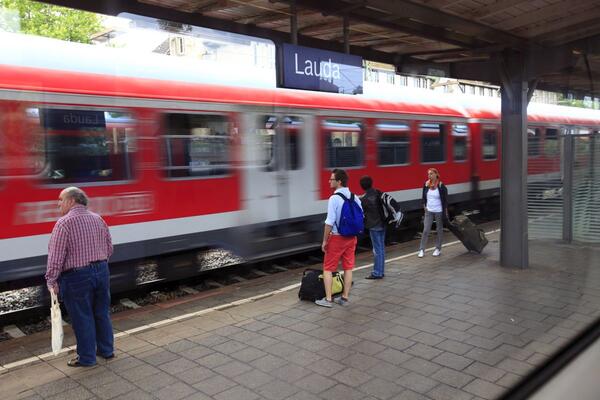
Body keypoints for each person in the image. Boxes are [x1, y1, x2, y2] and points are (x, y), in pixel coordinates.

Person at [45, 187, 114, 367]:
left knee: (82, 317)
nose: (58, 203)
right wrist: (98, 264)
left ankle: (87, 358)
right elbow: (109, 248)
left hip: (77, 277)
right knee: (101, 313)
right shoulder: (98, 219)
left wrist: (51, 280)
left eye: (60, 199)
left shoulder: (63, 223)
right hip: (102, 270)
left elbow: (56, 256)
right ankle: (107, 351)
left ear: (71, 201)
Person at [316, 169, 362, 307]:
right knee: (348, 267)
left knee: (328, 268)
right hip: (351, 237)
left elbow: (329, 222)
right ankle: (345, 298)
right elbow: (361, 216)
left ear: (339, 181)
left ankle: (328, 299)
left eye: (331, 179)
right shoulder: (355, 197)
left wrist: (324, 240)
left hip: (337, 238)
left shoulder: (334, 198)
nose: (329, 181)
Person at [359, 175, 386, 279]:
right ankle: (381, 271)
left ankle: (377, 273)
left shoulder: (364, 199)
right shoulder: (378, 193)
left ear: (362, 186)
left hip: (373, 226)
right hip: (382, 224)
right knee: (381, 248)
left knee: (377, 250)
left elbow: (362, 212)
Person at [418, 168, 448, 258]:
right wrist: (424, 206)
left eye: (431, 174)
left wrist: (445, 211)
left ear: (436, 174)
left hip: (439, 211)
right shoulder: (426, 184)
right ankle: (421, 249)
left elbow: (445, 200)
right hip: (429, 211)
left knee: (439, 230)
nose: (429, 176)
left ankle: (438, 249)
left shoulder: (441, 186)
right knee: (426, 230)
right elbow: (423, 196)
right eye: (428, 174)